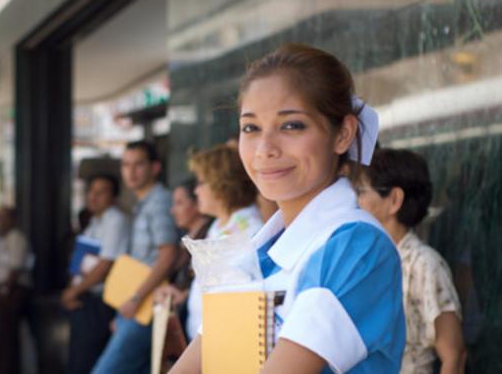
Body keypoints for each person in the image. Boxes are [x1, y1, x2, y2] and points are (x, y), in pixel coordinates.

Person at [171, 43, 405, 373]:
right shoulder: (256, 254)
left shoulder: (356, 248)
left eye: (292, 125)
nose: (265, 149)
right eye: (251, 128)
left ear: (343, 134)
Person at [356, 148, 465, 373]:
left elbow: (454, 355)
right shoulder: (366, 259)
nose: (356, 201)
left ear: (394, 200)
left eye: (361, 191)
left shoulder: (424, 263)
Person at [156, 144, 264, 340]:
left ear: (222, 184)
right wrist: (185, 295)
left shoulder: (249, 232)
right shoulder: (218, 226)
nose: (196, 191)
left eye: (201, 182)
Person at [92, 140, 179, 374]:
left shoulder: (159, 201)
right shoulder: (143, 203)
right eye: (125, 165)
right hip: (136, 306)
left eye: (138, 164)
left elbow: (168, 254)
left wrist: (135, 298)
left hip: (147, 305)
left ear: (155, 168)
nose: (130, 172)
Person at [61, 174, 130, 374]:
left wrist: (72, 292)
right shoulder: (95, 222)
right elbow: (82, 263)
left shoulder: (115, 219)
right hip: (85, 297)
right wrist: (72, 291)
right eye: (91, 191)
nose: (94, 197)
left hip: (101, 300)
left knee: (87, 361)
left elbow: (104, 266)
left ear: (114, 196)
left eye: (101, 192)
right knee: (77, 360)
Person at [0, 206, 33, 374]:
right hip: (2, 290)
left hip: (11, 291)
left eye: (3, 218)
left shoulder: (16, 238)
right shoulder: (2, 240)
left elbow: (15, 268)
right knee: (0, 335)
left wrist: (5, 289)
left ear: (13, 220)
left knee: (6, 336)